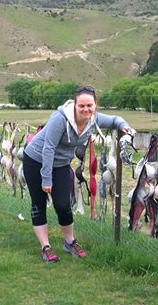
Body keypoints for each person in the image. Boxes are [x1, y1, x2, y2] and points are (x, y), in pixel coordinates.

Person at [23, 86, 134, 263]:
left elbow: (114, 119)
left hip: (60, 164)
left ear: (96, 105)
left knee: (63, 204)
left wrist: (124, 125)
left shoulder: (94, 119)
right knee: (39, 202)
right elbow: (48, 148)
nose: (85, 109)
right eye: (81, 105)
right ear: (75, 105)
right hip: (36, 160)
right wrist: (46, 179)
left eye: (89, 105)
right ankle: (46, 247)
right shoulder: (60, 119)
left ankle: (70, 242)